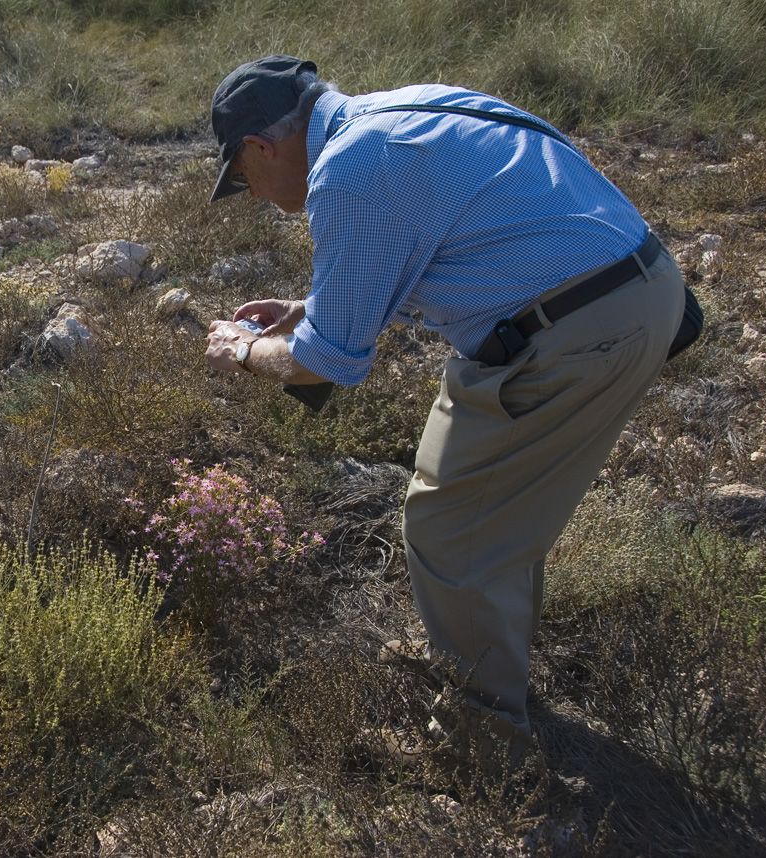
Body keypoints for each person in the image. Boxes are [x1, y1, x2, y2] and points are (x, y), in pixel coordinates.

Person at [203, 55, 686, 766]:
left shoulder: (350, 169)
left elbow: (324, 363)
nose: (252, 193)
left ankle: (484, 747)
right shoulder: (409, 109)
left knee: (453, 531)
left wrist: (242, 352)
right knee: (482, 514)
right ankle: (484, 663)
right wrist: (310, 308)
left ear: (260, 148)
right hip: (632, 292)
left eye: (243, 178)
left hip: (575, 330)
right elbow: (452, 232)